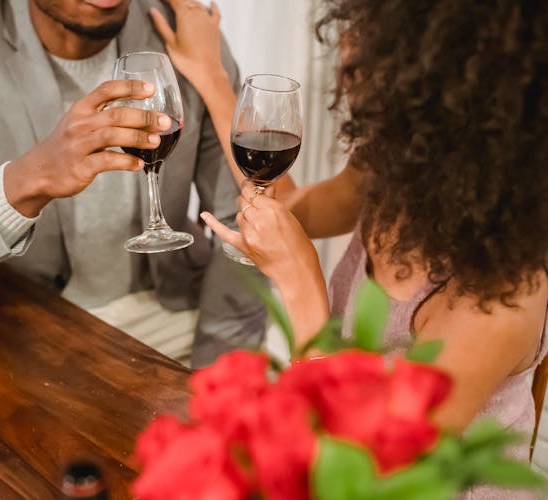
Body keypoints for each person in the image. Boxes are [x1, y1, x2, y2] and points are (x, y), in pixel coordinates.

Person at [155, 0, 548, 496]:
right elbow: (293, 204)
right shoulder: (392, 170)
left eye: (373, 34)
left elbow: (367, 471)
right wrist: (211, 75)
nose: (346, 51)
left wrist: (302, 287)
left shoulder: (503, 293)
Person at [0, 0, 267, 368]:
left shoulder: (185, 29)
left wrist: (220, 380)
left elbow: (243, 222)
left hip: (182, 318)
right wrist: (32, 177)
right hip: (38, 338)